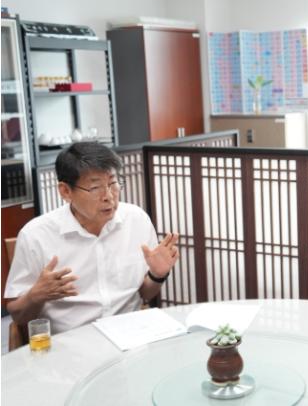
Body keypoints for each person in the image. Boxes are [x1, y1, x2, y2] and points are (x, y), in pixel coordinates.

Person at [5, 142, 179, 334]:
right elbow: (18, 316)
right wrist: (36, 295)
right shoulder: (36, 235)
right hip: (71, 341)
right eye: (95, 188)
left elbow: (145, 293)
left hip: (129, 334)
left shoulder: (136, 220)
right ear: (65, 191)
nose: (109, 196)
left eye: (113, 183)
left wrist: (157, 275)